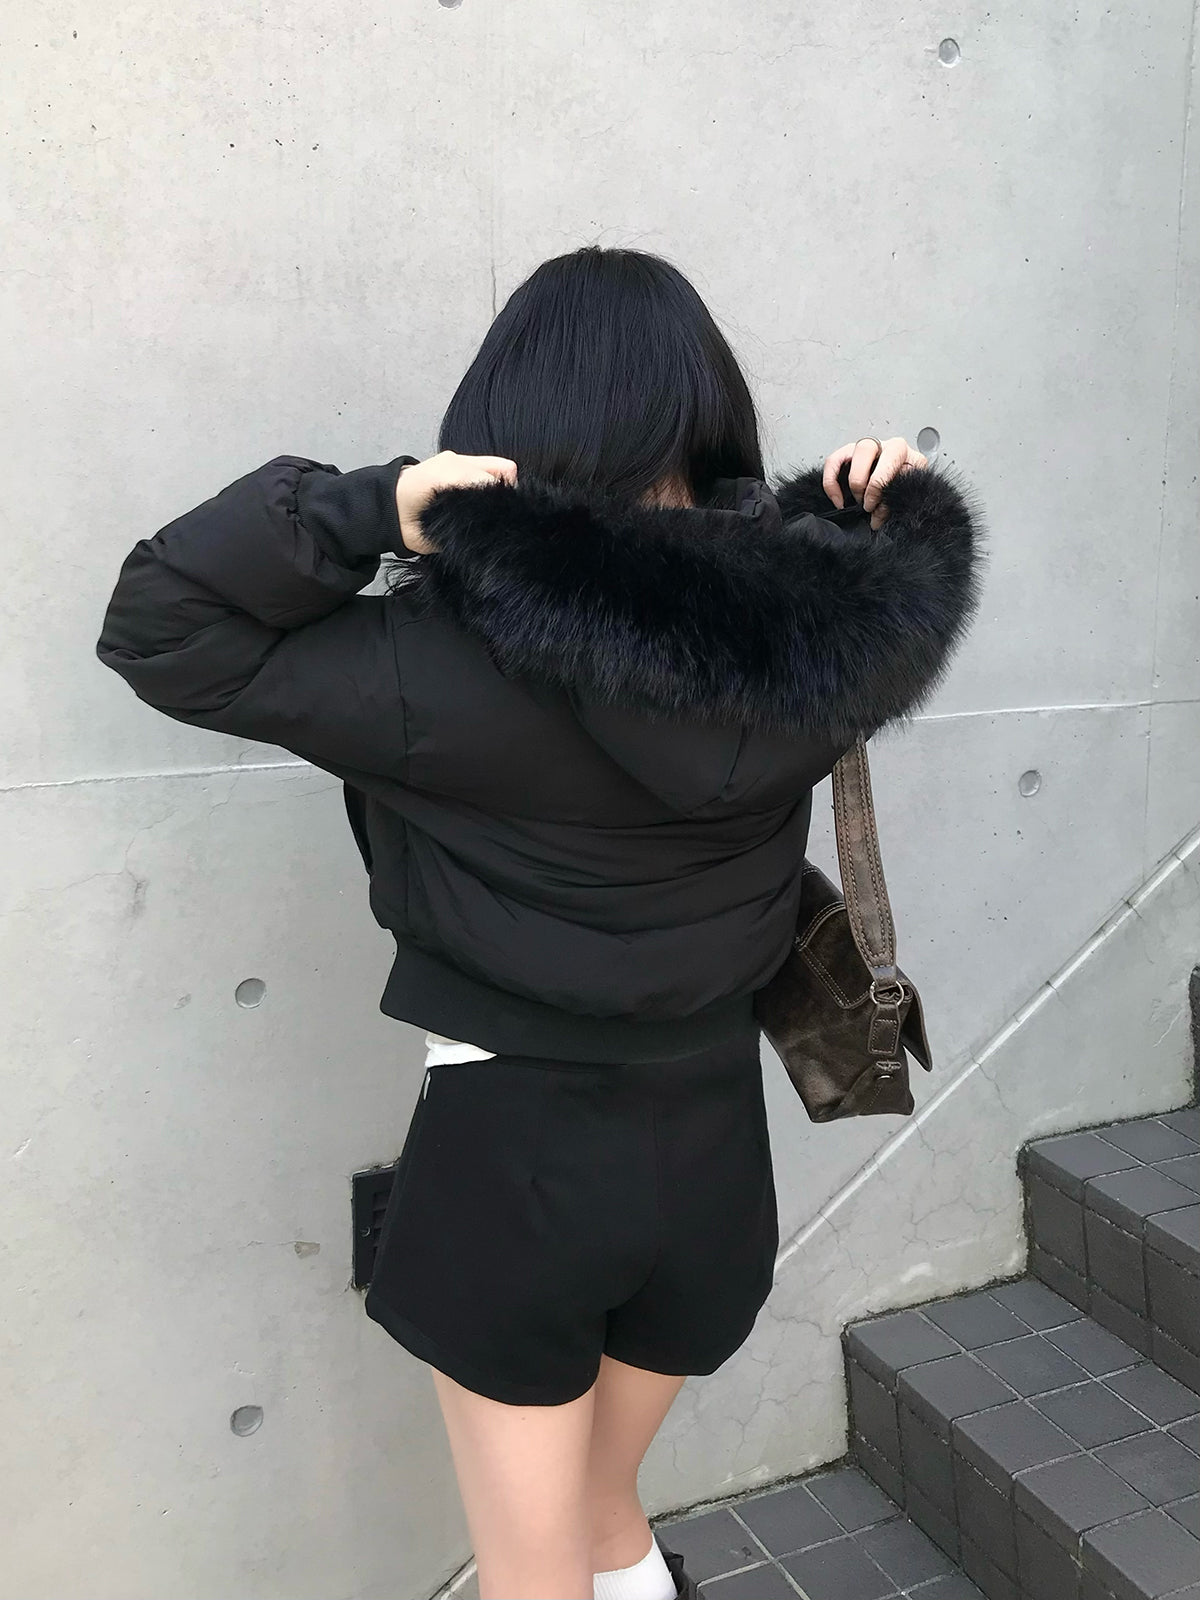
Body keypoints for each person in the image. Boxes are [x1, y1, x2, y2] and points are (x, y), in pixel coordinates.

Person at [96, 244, 983, 1600]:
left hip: (514, 1167)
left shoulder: (438, 662)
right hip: (715, 1167)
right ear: (710, 415)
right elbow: (791, 578)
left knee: (530, 1569)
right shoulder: (805, 649)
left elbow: (161, 625)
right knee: (604, 1507)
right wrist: (858, 512)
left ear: (510, 417)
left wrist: (377, 505)